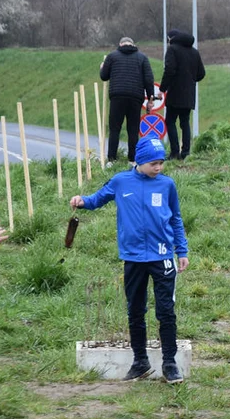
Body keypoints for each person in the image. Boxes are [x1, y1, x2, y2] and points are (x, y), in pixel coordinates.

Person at [70, 136, 188, 384]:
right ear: (140, 161)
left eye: (161, 163)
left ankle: (169, 363)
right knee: (135, 310)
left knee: (166, 311)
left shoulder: (167, 185)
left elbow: (175, 219)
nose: (159, 168)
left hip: (162, 256)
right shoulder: (121, 181)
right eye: (154, 163)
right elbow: (97, 198)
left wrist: (182, 250)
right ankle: (140, 361)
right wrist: (82, 201)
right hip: (133, 257)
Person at [100, 37, 154, 163]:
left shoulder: (112, 56)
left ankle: (112, 159)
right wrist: (150, 98)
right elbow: (148, 79)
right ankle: (132, 160)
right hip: (135, 97)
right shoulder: (142, 58)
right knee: (133, 129)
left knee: (114, 128)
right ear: (133, 44)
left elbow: (104, 76)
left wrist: (102, 67)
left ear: (120, 44)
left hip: (117, 96)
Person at [159, 29, 206, 160]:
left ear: (170, 39)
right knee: (185, 122)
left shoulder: (172, 50)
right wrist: (190, 80)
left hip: (175, 92)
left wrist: (162, 89)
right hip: (189, 94)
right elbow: (201, 73)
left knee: (170, 121)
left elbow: (169, 70)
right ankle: (186, 152)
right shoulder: (194, 52)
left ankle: (174, 152)